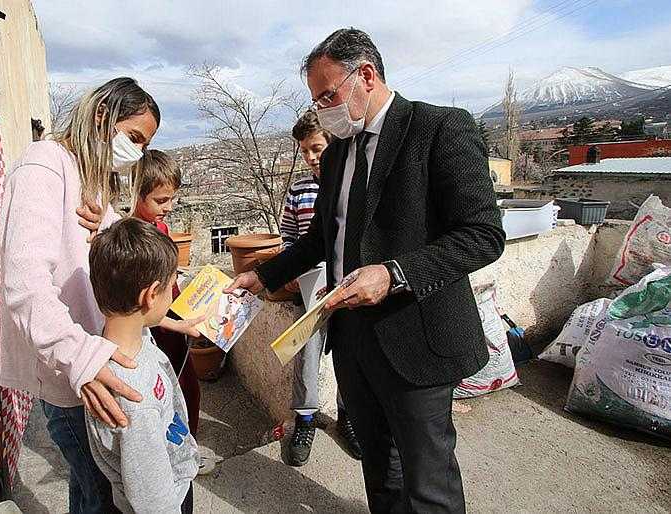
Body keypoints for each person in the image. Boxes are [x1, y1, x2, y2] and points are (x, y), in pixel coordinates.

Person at [227, 28, 505, 513]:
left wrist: (394, 273)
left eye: (328, 95)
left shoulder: (439, 128)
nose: (323, 110)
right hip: (353, 343)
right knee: (380, 468)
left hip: (416, 337)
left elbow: (483, 234)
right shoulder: (338, 151)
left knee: (428, 480)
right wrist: (264, 276)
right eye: (317, 102)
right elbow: (320, 238)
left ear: (367, 76)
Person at [0, 77, 198, 513]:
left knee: (94, 491)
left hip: (100, 364)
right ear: (103, 116)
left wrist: (106, 228)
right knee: (101, 495)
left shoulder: (85, 175)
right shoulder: (43, 167)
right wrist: (82, 359)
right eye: (134, 137)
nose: (138, 153)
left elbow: (123, 261)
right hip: (79, 376)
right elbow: (24, 285)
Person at [86, 217, 199, 514]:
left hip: (172, 477)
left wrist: (178, 324)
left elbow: (146, 317)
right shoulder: (136, 401)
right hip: (168, 498)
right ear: (150, 295)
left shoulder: (121, 340)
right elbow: (153, 501)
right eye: (171, 286)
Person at [280, 111, 362, 466]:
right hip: (311, 288)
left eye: (316, 148)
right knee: (308, 354)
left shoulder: (351, 183)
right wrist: (291, 271)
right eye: (305, 151)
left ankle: (349, 416)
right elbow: (289, 237)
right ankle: (306, 419)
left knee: (351, 352)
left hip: (349, 287)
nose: (311, 157)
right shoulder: (299, 190)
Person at [130, 150, 201, 437]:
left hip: (171, 317)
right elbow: (139, 309)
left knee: (188, 389)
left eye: (173, 198)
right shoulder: (135, 237)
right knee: (171, 391)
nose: (169, 206)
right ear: (136, 194)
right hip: (155, 328)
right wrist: (179, 324)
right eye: (161, 200)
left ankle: (187, 445)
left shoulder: (161, 227)